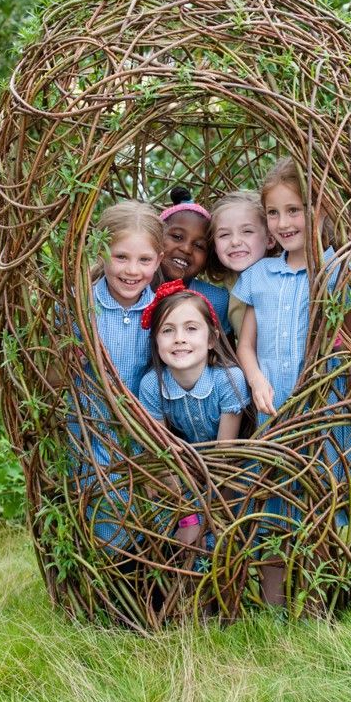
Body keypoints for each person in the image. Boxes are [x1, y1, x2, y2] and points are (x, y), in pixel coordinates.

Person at [233, 157, 351, 605]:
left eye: (294, 210)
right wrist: (255, 380)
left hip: (324, 411)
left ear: (320, 209)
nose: (283, 223)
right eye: (273, 213)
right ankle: (274, 609)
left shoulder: (340, 272)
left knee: (321, 501)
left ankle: (315, 607)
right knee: (271, 505)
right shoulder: (259, 276)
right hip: (274, 411)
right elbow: (245, 345)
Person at [66, 200, 164, 550]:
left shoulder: (162, 310)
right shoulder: (79, 305)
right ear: (99, 251)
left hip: (143, 432)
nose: (132, 270)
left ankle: (145, 567)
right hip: (90, 430)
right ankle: (105, 569)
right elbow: (53, 373)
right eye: (121, 257)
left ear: (159, 260)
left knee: (149, 515)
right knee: (100, 512)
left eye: (144, 260)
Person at [139, 280, 250, 546]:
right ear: (155, 340)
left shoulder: (228, 379)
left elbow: (226, 457)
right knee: (174, 539)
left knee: (226, 543)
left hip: (229, 480)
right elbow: (163, 455)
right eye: (167, 330)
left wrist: (213, 518)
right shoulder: (152, 385)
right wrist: (188, 517)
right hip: (180, 481)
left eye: (191, 328)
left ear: (211, 338)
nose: (179, 338)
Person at [158, 186, 232, 335]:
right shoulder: (134, 289)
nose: (186, 249)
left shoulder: (215, 301)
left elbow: (226, 349)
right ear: (156, 237)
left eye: (199, 246)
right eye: (177, 237)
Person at [208, 190, 275, 339]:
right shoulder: (228, 287)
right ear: (215, 246)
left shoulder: (281, 280)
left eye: (247, 231)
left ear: (270, 239)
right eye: (224, 234)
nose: (235, 241)